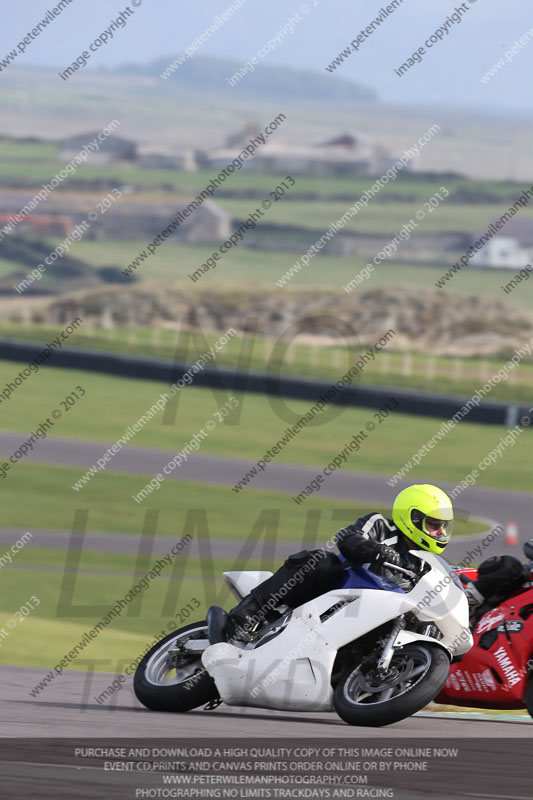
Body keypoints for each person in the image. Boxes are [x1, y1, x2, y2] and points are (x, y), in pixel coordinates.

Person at [227, 483, 454, 640]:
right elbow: (347, 538)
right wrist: (377, 551)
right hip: (329, 597)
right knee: (322, 561)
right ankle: (249, 610)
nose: (441, 531)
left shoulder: (426, 564)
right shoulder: (380, 526)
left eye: (443, 526)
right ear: (412, 518)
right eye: (434, 525)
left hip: (368, 619)